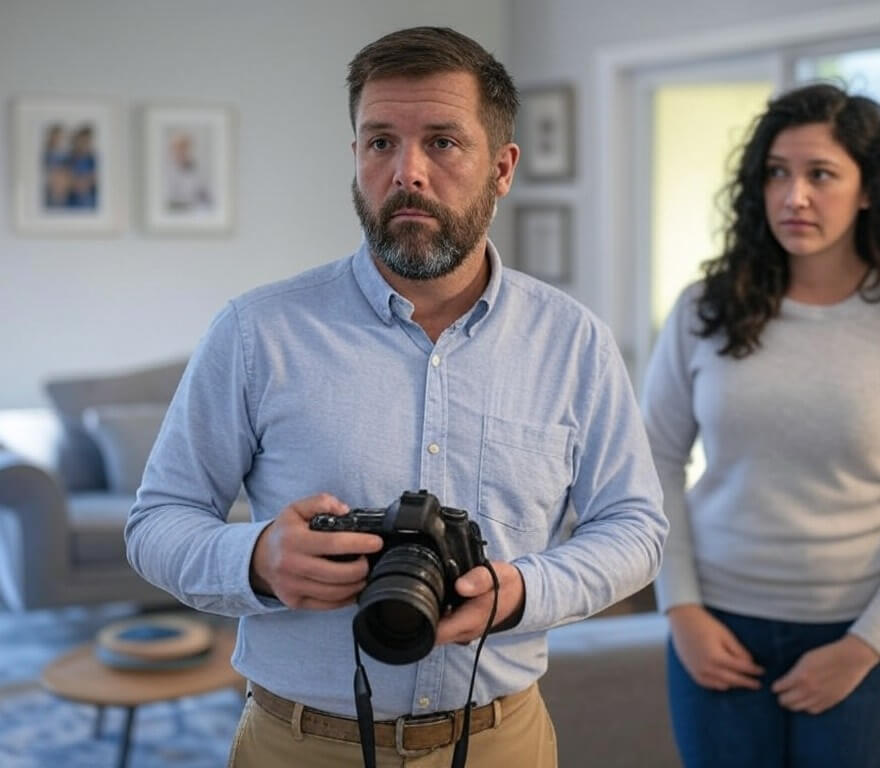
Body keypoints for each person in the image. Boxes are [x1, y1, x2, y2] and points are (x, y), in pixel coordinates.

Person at [126, 26, 667, 768]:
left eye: (442, 142)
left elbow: (636, 528)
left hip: (500, 741)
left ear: (502, 168)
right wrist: (257, 558)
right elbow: (156, 521)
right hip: (297, 744)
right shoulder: (258, 332)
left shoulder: (574, 343)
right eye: (380, 142)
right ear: (356, 158)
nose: (406, 171)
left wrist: (521, 592)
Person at [641, 82, 880, 768]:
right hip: (717, 629)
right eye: (777, 173)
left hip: (859, 633)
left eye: (821, 174)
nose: (794, 195)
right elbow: (652, 461)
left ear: (867, 191)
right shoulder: (704, 309)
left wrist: (864, 646)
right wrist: (681, 610)